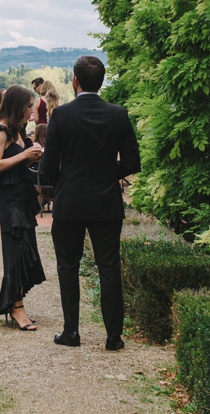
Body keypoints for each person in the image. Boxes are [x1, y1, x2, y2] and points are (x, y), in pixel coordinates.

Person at [40, 55, 141, 350]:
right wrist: (108, 176)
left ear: (75, 81)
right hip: (106, 202)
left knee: (68, 266)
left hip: (70, 202)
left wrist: (65, 182)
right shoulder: (118, 114)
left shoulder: (61, 115)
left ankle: (71, 333)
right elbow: (133, 161)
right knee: (108, 266)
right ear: (102, 81)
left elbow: (47, 166)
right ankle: (114, 337)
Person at [0, 85, 46, 331]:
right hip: (9, 199)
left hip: (23, 194)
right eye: (29, 105)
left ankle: (17, 302)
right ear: (17, 106)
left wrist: (33, 155)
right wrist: (23, 156)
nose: (31, 109)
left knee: (26, 248)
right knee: (15, 250)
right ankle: (16, 306)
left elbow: (18, 161)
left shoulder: (19, 130)